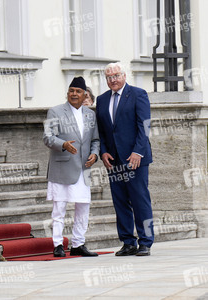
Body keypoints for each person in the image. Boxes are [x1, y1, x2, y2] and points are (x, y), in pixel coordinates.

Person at [95, 62, 154, 256]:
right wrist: (103, 151)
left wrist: (138, 152)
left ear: (124, 75)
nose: (112, 80)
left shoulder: (138, 94)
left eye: (116, 76)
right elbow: (102, 131)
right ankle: (128, 242)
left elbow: (144, 126)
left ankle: (145, 241)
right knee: (120, 201)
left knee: (139, 200)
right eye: (109, 77)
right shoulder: (102, 100)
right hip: (113, 160)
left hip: (134, 158)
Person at [43, 76, 100, 257]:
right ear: (67, 93)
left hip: (84, 169)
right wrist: (63, 144)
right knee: (59, 209)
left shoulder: (90, 114)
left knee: (83, 207)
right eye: (71, 91)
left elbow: (96, 140)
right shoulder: (55, 112)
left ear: (85, 95)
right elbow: (48, 137)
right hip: (62, 167)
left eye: (78, 92)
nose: (74, 94)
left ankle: (78, 243)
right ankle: (58, 244)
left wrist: (95, 154)